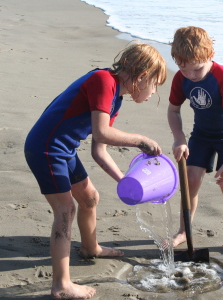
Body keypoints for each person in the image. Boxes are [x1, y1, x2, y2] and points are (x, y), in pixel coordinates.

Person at [24, 42, 166, 299]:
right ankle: (61, 286)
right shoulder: (103, 81)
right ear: (143, 76)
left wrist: (124, 180)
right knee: (65, 210)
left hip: (63, 149)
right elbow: (102, 132)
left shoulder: (116, 99)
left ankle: (91, 248)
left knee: (89, 198)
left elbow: (99, 149)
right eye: (155, 85)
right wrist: (140, 140)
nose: (153, 91)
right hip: (46, 148)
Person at [167, 26, 223, 258]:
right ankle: (184, 231)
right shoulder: (180, 79)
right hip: (202, 134)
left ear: (210, 56)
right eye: (185, 70)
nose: (192, 76)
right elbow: (173, 111)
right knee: (191, 180)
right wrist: (179, 138)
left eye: (197, 69)